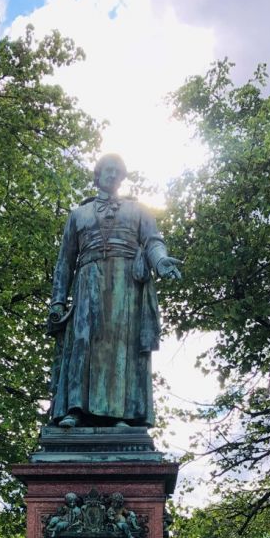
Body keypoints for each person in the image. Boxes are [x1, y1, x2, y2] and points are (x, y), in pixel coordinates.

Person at [47, 154, 181, 429]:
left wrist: (160, 262)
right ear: (98, 175)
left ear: (122, 177)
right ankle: (76, 409)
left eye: (117, 171)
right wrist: (58, 301)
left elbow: (153, 242)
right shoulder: (78, 214)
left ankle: (123, 414)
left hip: (125, 284)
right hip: (88, 282)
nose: (112, 174)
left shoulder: (138, 210)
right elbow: (65, 262)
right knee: (83, 342)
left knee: (122, 345)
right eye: (107, 170)